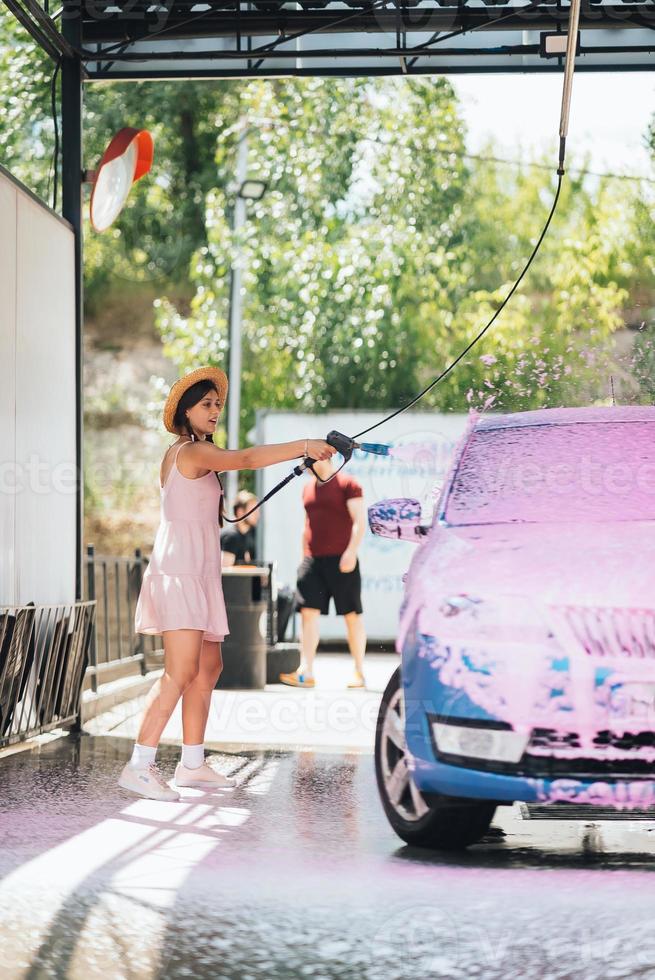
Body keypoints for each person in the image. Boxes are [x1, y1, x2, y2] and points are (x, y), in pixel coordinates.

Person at [119, 365, 336, 801]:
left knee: (209, 667)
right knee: (179, 671)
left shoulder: (199, 452)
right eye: (206, 405)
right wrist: (306, 446)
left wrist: (309, 457)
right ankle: (139, 765)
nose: (215, 410)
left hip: (200, 572)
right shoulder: (188, 452)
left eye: (217, 404)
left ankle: (192, 764)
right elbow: (245, 459)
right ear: (186, 411)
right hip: (181, 571)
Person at [279, 457, 367, 690]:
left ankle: (359, 671)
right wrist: (302, 558)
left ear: (323, 458)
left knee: (351, 615)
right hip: (312, 560)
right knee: (307, 613)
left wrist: (351, 552)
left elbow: (360, 521)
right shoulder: (308, 488)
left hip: (342, 559)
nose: (304, 466)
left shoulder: (348, 483)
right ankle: (306, 670)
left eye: (308, 462)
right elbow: (307, 524)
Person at [220, 490, 259, 566]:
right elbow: (226, 570)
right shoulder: (231, 537)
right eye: (253, 510)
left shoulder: (252, 534)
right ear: (240, 512)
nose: (257, 515)